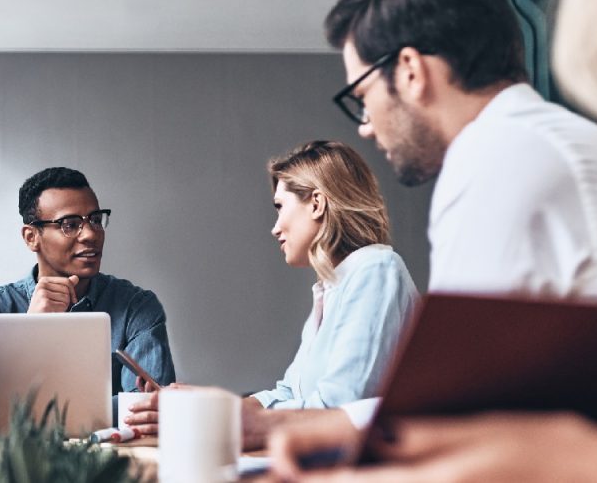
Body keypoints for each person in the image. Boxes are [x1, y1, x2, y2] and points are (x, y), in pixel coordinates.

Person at [267, 0, 597, 479]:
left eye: (362, 96)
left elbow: (457, 413)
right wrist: (314, 426)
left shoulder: (499, 154)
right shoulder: (549, 139)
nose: (365, 125)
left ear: (409, 70)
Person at [126, 141, 418, 449]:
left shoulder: (375, 269)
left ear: (317, 204)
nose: (275, 228)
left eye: (280, 207)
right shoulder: (330, 289)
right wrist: (205, 404)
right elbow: (290, 392)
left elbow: (338, 408)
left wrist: (218, 415)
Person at [0, 167, 176, 397]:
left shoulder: (135, 308)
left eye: (95, 220)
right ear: (31, 237)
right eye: (70, 224)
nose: (91, 235)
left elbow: (147, 408)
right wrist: (29, 333)